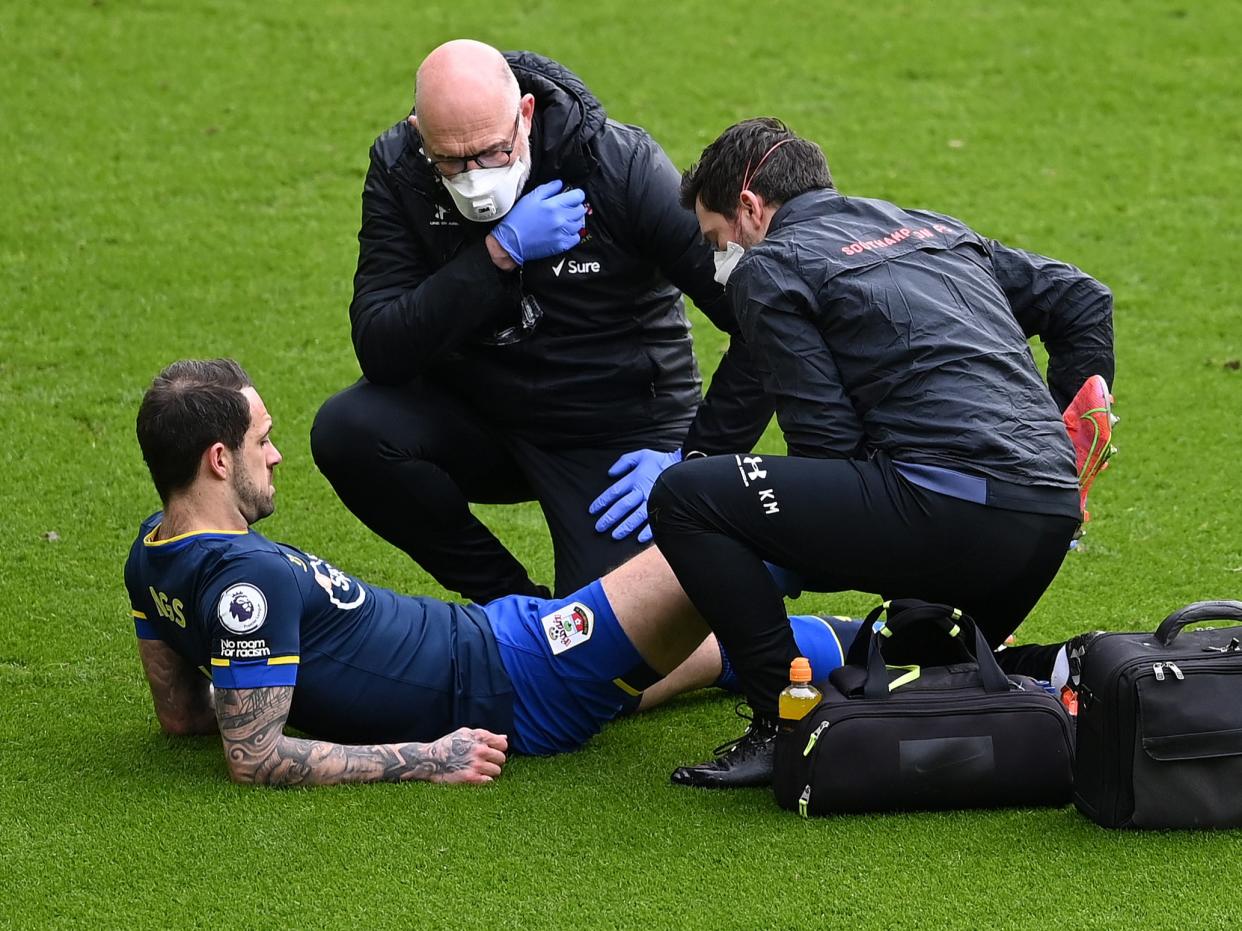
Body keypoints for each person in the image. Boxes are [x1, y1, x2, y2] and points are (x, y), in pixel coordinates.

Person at [648, 118, 1115, 788]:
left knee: (685, 498)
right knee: (899, 676)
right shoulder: (932, 227)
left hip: (946, 513)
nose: (719, 259)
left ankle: (783, 723)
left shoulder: (772, 266)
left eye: (715, 240)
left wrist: (758, 532)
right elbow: (1082, 298)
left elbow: (827, 449)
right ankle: (1068, 669)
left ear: (748, 209)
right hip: (1045, 513)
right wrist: (1067, 436)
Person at [126, 359, 848, 786]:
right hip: (523, 672)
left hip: (502, 639)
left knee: (690, 648)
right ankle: (907, 526)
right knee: (721, 528)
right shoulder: (245, 582)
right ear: (218, 460)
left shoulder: (150, 551)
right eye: (262, 440)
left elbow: (183, 715)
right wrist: (428, 756)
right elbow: (253, 758)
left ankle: (867, 638)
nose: (276, 456)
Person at [310, 40, 769, 605]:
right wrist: (497, 255)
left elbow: (761, 324)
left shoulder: (620, 168)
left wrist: (691, 460)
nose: (474, 177)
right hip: (482, 416)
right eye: (451, 161)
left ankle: (809, 640)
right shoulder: (402, 169)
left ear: (525, 113)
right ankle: (515, 608)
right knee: (348, 431)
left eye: (492, 152)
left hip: (615, 434)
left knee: (618, 652)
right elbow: (382, 347)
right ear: (418, 133)